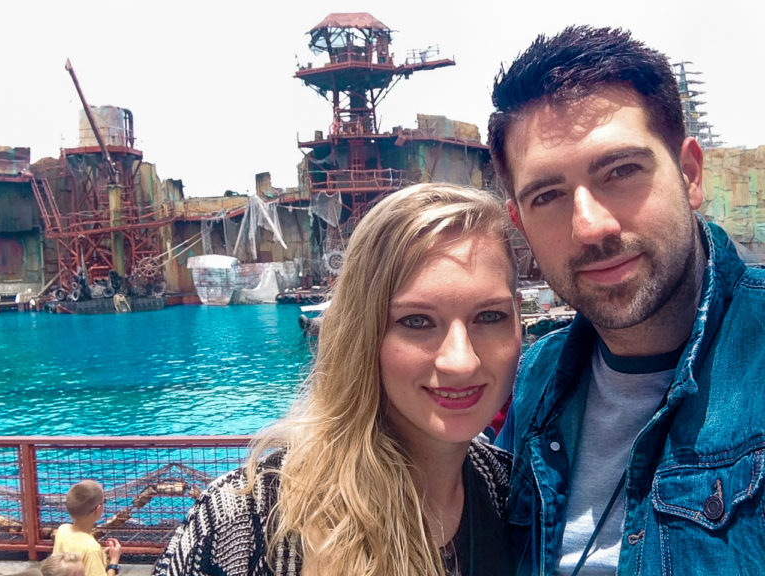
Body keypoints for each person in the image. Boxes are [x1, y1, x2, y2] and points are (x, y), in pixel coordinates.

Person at [488, 25, 765, 575]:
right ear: (520, 221)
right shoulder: (533, 381)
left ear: (688, 174)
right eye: (548, 195)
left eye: (621, 172)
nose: (590, 226)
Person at [152, 183, 523, 575]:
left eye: (489, 317)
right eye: (416, 321)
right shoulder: (248, 520)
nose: (460, 362)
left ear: (517, 318)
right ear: (364, 332)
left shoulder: (518, 496)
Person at [53, 480, 122, 576]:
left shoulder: (62, 530)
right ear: (98, 510)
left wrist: (101, 555)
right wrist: (114, 562)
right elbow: (88, 551)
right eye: (104, 501)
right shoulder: (91, 549)